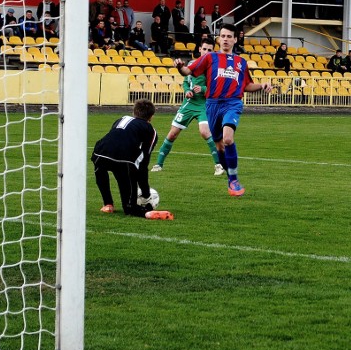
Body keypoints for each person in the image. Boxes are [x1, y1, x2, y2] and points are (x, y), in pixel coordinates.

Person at [174, 23, 272, 197]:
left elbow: (247, 85)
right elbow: (188, 70)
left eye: (229, 36)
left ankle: (234, 180)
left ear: (235, 39)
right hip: (212, 104)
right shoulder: (210, 57)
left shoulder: (241, 62)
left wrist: (262, 85)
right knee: (219, 145)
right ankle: (229, 176)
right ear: (219, 38)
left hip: (232, 103)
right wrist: (180, 67)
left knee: (228, 138)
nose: (225, 39)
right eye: (223, 36)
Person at [151, 38, 225, 176]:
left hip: (205, 104)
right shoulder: (192, 64)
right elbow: (186, 81)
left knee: (204, 132)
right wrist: (187, 91)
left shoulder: (214, 69)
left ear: (213, 52)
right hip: (189, 104)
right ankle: (158, 164)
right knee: (172, 133)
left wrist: (202, 89)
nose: (206, 52)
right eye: (204, 49)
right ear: (199, 49)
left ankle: (219, 165)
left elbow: (217, 89)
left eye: (210, 50)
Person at [91, 99, 172, 220]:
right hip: (124, 160)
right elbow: (143, 163)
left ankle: (108, 204)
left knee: (102, 169)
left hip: (99, 153)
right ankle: (148, 212)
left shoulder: (121, 119)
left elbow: (114, 139)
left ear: (134, 112)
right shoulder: (151, 130)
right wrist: (145, 193)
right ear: (151, 116)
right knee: (129, 208)